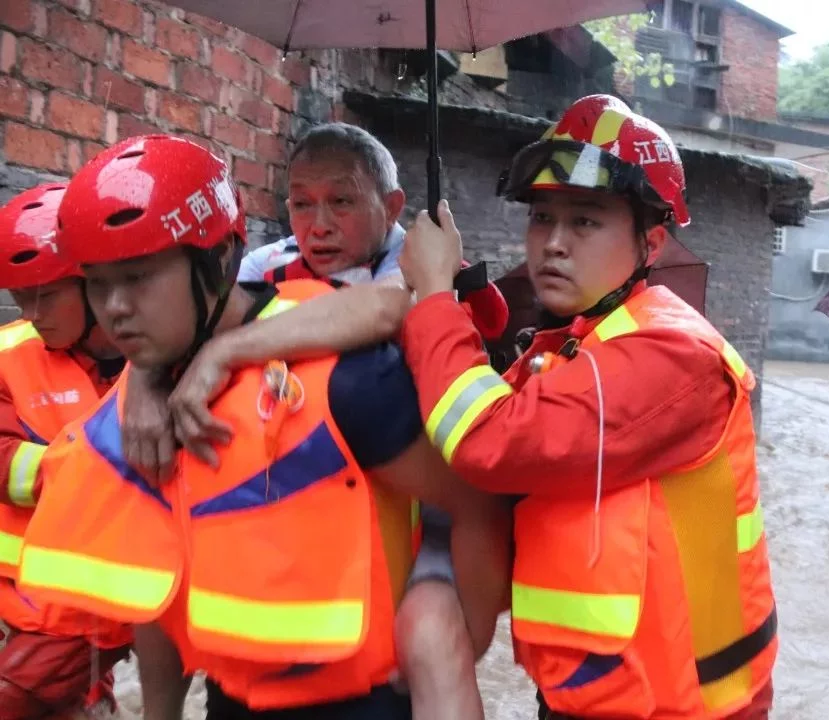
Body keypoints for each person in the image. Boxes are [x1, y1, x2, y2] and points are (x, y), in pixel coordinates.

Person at [146, 95, 779, 719]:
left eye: (585, 221)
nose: (553, 243)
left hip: (688, 705)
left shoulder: (672, 354)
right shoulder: (568, 346)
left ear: (653, 240)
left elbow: (488, 444)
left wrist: (435, 297)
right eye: (541, 218)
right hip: (595, 692)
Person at [16, 134, 510, 720]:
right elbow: (156, 587)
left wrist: (467, 636)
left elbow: (474, 497)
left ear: (216, 260)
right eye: (98, 283)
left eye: (139, 277)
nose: (115, 308)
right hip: (230, 694)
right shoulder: (141, 396)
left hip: (362, 698)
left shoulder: (348, 379)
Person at [0, 184, 132, 719]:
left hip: (102, 611)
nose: (32, 313)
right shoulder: (9, 356)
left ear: (93, 284)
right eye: (20, 296)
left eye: (45, 295)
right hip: (25, 608)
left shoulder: (163, 354)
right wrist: (87, 470)